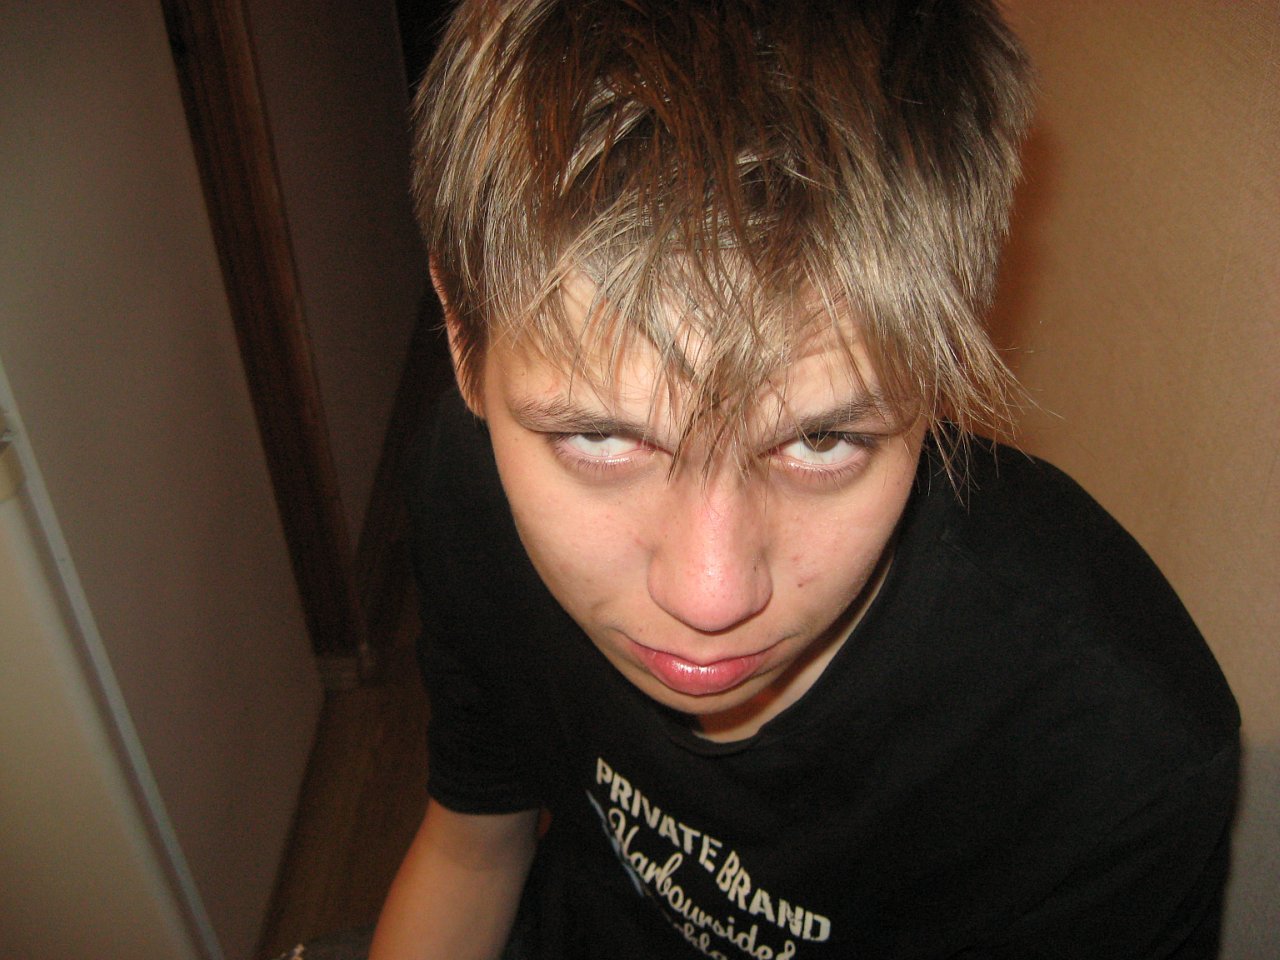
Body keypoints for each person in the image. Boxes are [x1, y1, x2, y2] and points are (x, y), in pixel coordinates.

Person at [370, 1, 1240, 958]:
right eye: (599, 438)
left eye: (822, 441)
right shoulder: (471, 492)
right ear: (462, 339)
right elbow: (472, 851)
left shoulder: (1111, 751)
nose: (710, 599)